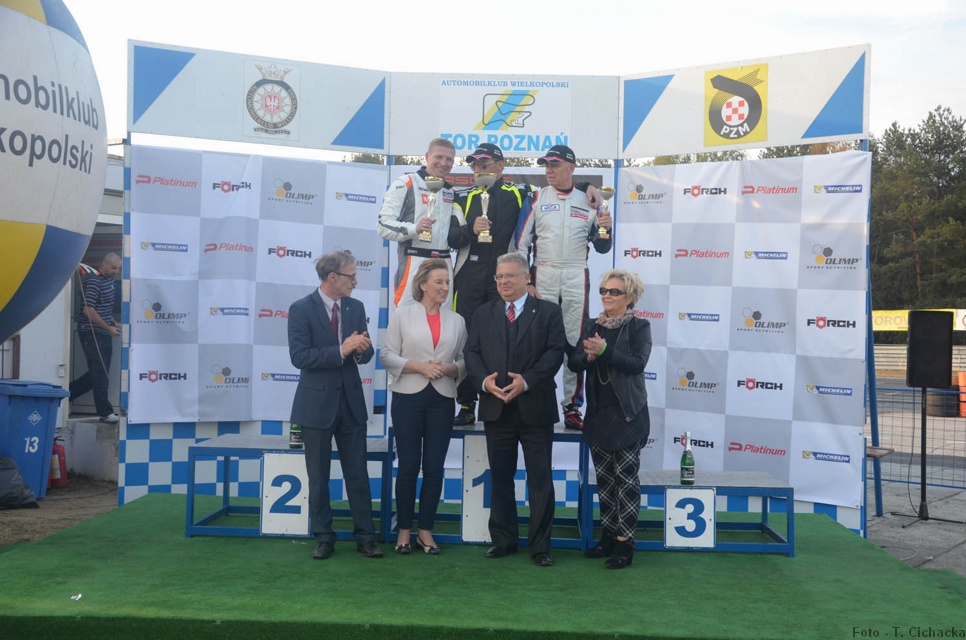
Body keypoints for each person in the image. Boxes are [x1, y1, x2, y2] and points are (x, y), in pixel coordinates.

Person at [449, 143, 601, 427]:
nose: (480, 168)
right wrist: (471, 230)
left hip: (517, 279)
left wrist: (586, 186)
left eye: (485, 163)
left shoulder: (522, 193)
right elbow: (452, 238)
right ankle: (468, 403)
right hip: (471, 278)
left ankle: (567, 405)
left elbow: (566, 190)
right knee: (468, 340)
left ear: (500, 166)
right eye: (475, 164)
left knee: (562, 339)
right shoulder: (460, 195)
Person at [464, 252, 566, 567]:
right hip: (496, 408)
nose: (503, 282)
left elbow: (555, 352)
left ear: (526, 278)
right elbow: (471, 352)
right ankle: (503, 540)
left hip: (536, 409)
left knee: (540, 480)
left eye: (510, 276)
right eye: (499, 276)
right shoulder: (483, 313)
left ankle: (540, 547)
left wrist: (528, 382)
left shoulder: (549, 311)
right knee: (500, 477)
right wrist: (484, 383)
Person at [287, 250, 382, 560]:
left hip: (351, 404)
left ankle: (365, 537)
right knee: (318, 477)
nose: (356, 281)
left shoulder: (356, 307)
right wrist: (342, 350)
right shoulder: (301, 309)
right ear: (332, 277)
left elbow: (365, 354)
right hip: (315, 406)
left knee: (358, 474)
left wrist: (360, 350)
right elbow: (300, 357)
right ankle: (324, 537)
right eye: (351, 276)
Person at [512, 144, 613, 432]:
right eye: (546, 165)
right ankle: (530, 397)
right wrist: (526, 282)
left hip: (576, 274)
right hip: (543, 271)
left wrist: (606, 228)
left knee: (575, 342)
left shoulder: (590, 201)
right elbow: (521, 244)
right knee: (536, 339)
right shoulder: (536, 197)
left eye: (555, 165)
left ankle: (572, 406)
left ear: (571, 168)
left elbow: (602, 247)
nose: (549, 170)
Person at [380, 258, 467, 555]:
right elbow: (387, 355)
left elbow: (465, 361)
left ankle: (425, 532)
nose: (444, 287)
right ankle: (404, 531)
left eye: (447, 282)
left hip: (442, 399)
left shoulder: (457, 321)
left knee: (434, 468)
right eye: (439, 282)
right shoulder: (402, 315)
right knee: (407, 467)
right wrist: (419, 366)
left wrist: (448, 369)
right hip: (407, 397)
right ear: (422, 285)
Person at [567, 269, 651, 569]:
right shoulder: (593, 325)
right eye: (603, 290)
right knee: (604, 482)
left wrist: (605, 351)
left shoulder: (639, 326)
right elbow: (574, 361)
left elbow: (638, 364)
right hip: (598, 416)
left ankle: (625, 544)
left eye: (614, 291)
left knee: (625, 482)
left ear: (630, 297)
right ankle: (608, 537)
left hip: (628, 415)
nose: (606, 295)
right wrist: (589, 357)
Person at [378, 137, 462, 308]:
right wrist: (414, 228)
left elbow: (458, 233)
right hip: (414, 261)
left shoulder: (451, 191)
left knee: (443, 319)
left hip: (444, 263)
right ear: (427, 157)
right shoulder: (407, 183)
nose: (443, 163)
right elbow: (383, 225)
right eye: (438, 157)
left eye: (449, 159)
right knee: (407, 318)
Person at [69, 253, 122, 422]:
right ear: (103, 264)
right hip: (91, 332)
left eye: (118, 269)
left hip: (103, 332)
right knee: (99, 373)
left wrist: (112, 321)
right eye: (113, 268)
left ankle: (65, 395)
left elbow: (101, 307)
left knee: (99, 373)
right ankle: (105, 413)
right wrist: (108, 328)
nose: (116, 272)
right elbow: (88, 310)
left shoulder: (109, 282)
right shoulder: (94, 281)